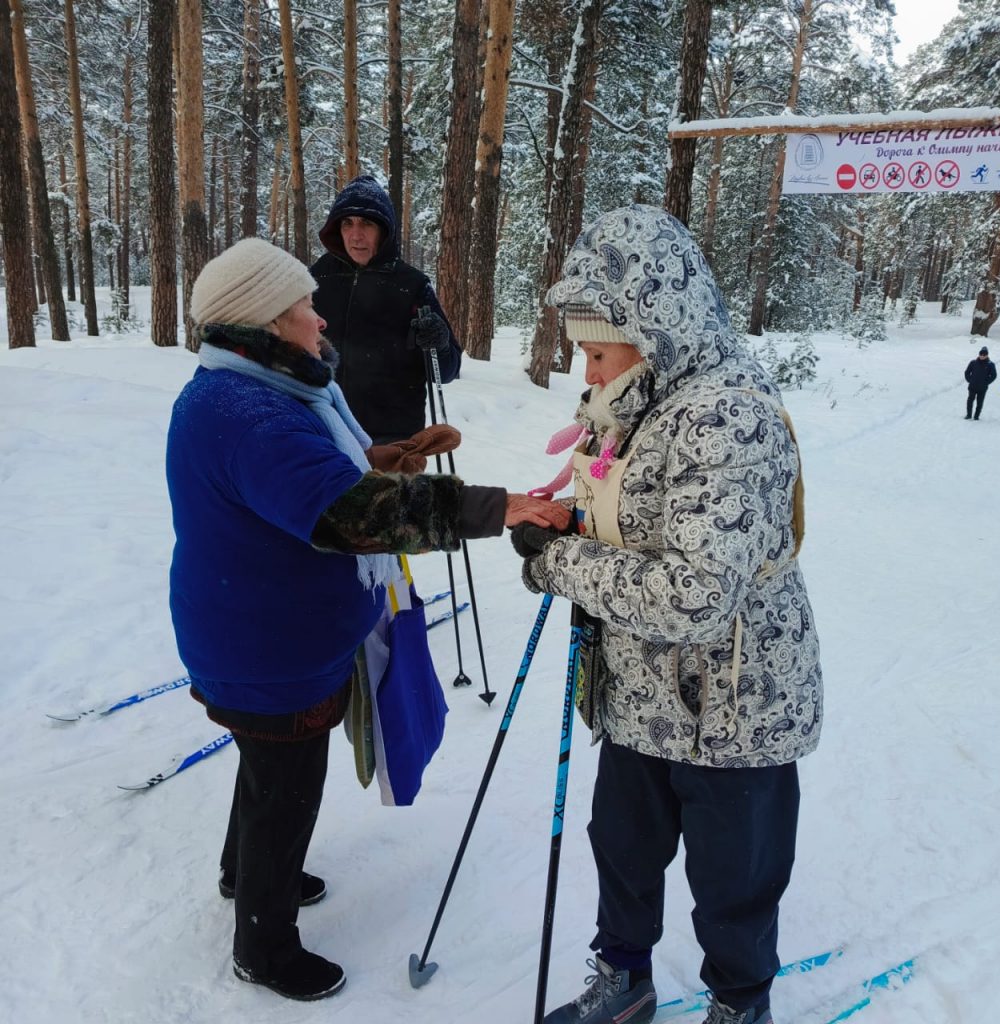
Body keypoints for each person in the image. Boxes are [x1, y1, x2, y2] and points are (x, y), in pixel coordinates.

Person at [165, 237, 568, 1003]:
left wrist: (383, 456)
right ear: (265, 321)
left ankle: (240, 873)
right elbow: (348, 514)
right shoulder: (251, 414)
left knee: (267, 767)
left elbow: (315, 478)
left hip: (256, 628)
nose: (319, 318)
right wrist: (495, 506)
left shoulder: (247, 389)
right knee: (287, 784)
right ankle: (265, 944)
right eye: (303, 307)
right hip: (269, 646)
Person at [511, 206, 822, 1024]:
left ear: (654, 328)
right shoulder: (638, 404)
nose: (588, 362)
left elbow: (694, 594)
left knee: (734, 878)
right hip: (643, 692)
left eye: (598, 343)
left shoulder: (728, 414)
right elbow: (642, 525)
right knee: (623, 850)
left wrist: (563, 566)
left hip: (733, 705)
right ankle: (625, 979)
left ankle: (739, 1001)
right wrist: (569, 528)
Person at [310, 174, 460, 445]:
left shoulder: (412, 285)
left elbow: (446, 372)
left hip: (393, 442)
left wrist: (440, 343)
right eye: (347, 223)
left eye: (367, 223)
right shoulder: (317, 278)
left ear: (384, 229)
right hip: (325, 433)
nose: (356, 235)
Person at [964, 346, 997, 420]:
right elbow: (967, 372)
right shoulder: (973, 362)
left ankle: (976, 416)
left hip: (982, 387)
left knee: (980, 402)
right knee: (970, 400)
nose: (982, 356)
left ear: (987, 355)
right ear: (979, 354)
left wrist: (986, 382)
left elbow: (994, 375)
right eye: (981, 354)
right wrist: (970, 380)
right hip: (972, 386)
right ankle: (969, 415)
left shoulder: (990, 364)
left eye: (984, 355)